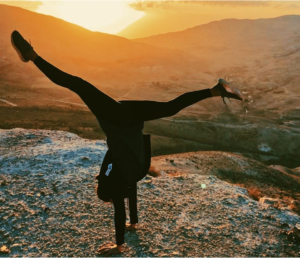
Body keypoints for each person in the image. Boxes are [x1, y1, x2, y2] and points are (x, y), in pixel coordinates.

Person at [11, 30, 243, 256]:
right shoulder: (119, 174)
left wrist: (134, 223)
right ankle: (32, 56)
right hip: (121, 115)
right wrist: (118, 245)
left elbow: (129, 193)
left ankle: (215, 90)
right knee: (77, 84)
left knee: (170, 107)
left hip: (130, 116)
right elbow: (122, 201)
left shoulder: (130, 171)